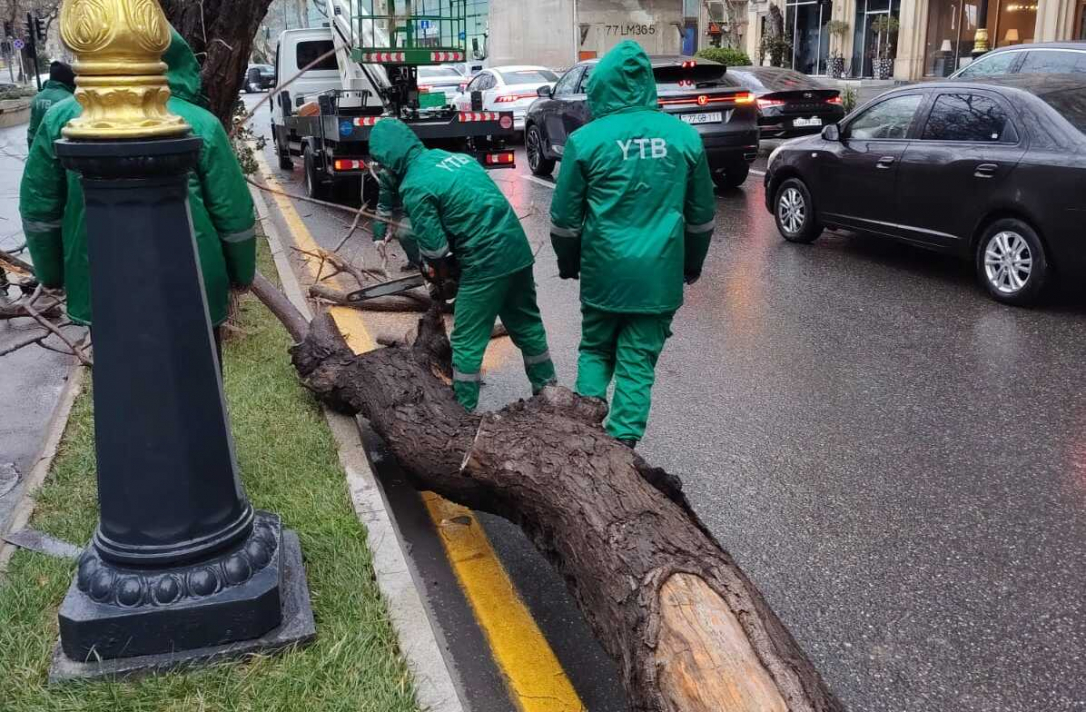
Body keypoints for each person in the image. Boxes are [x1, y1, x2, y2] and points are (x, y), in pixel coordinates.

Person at [19, 29, 256, 365]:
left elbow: (39, 209)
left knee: (122, 378)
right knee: (199, 378)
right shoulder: (201, 123)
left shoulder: (61, 121)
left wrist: (53, 274)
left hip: (100, 283)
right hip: (194, 284)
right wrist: (241, 275)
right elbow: (234, 215)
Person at [549, 41, 716, 448]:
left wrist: (570, 264)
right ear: (646, 84)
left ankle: (584, 433)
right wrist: (690, 266)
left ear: (601, 86)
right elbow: (701, 220)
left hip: (604, 275)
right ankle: (622, 446)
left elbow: (564, 222)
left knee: (595, 349)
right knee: (637, 363)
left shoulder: (585, 141)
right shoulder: (684, 138)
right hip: (658, 279)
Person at [368, 118, 556, 411]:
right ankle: (549, 394)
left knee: (467, 342)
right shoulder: (453, 159)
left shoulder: (415, 185)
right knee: (528, 326)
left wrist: (439, 279)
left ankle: (461, 413)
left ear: (390, 162)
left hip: (484, 262)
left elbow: (435, 249)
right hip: (516, 250)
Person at [371, 167, 421, 271]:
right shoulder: (387, 174)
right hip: (411, 209)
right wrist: (379, 237)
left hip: (435, 207)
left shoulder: (422, 167)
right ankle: (418, 263)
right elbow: (384, 206)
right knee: (404, 233)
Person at [26, 61, 75, 149]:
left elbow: (32, 129)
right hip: (56, 149)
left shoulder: (38, 97)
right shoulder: (68, 100)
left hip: (37, 148)